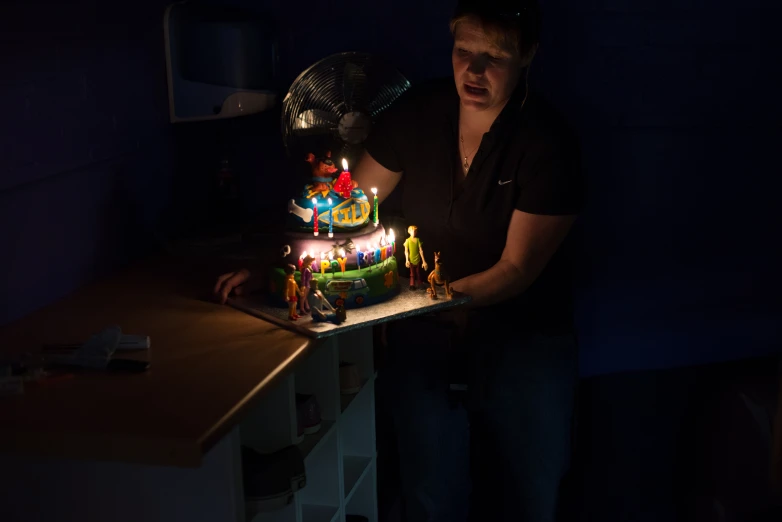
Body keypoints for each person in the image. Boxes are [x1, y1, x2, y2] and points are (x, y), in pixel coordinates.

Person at [214, 0, 583, 519]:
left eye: (494, 57)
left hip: (522, 338)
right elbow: (348, 212)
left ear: (528, 55)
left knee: (529, 492)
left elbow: (516, 270)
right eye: (463, 52)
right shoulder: (418, 113)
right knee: (430, 490)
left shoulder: (547, 143)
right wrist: (271, 265)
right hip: (424, 338)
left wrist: (424, 305)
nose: (473, 71)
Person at [403, 225, 428, 290]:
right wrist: (406, 260)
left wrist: (424, 261)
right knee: (412, 273)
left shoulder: (418, 240)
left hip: (418, 259)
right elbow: (406, 251)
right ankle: (412, 284)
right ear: (409, 232)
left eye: (415, 231)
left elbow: (421, 251)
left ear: (416, 232)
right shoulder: (407, 240)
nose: (413, 232)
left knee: (418, 273)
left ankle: (420, 284)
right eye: (412, 231)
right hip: (411, 260)